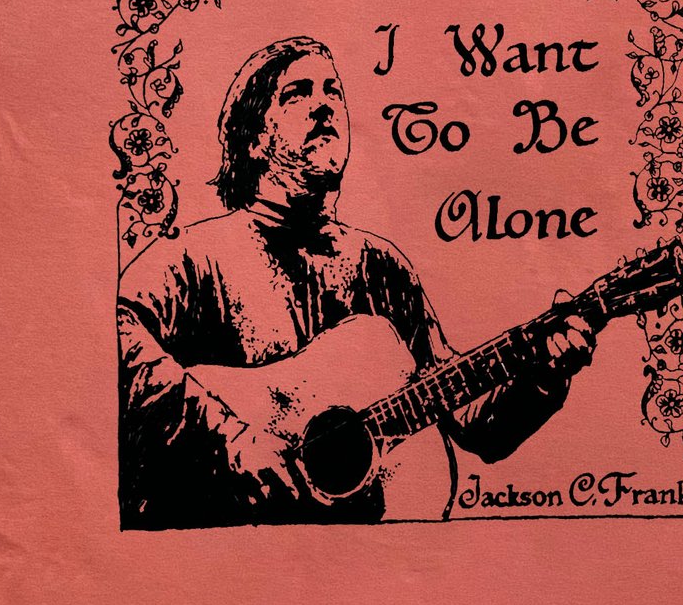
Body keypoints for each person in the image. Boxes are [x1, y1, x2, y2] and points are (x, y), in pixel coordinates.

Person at [117, 34, 596, 526]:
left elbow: (470, 424)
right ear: (254, 138)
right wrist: (230, 443)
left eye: (334, 92)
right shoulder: (193, 257)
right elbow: (113, 343)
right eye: (297, 93)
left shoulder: (382, 267)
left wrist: (543, 376)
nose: (323, 105)